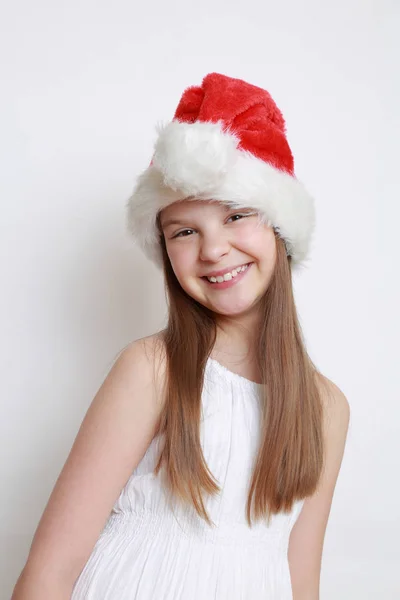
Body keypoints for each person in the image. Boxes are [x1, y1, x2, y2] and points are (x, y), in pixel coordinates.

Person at [12, 72, 350, 600]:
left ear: (281, 230)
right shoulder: (152, 370)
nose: (213, 250)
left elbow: (301, 579)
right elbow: (50, 571)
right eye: (185, 231)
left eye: (236, 215)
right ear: (165, 249)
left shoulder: (326, 407)